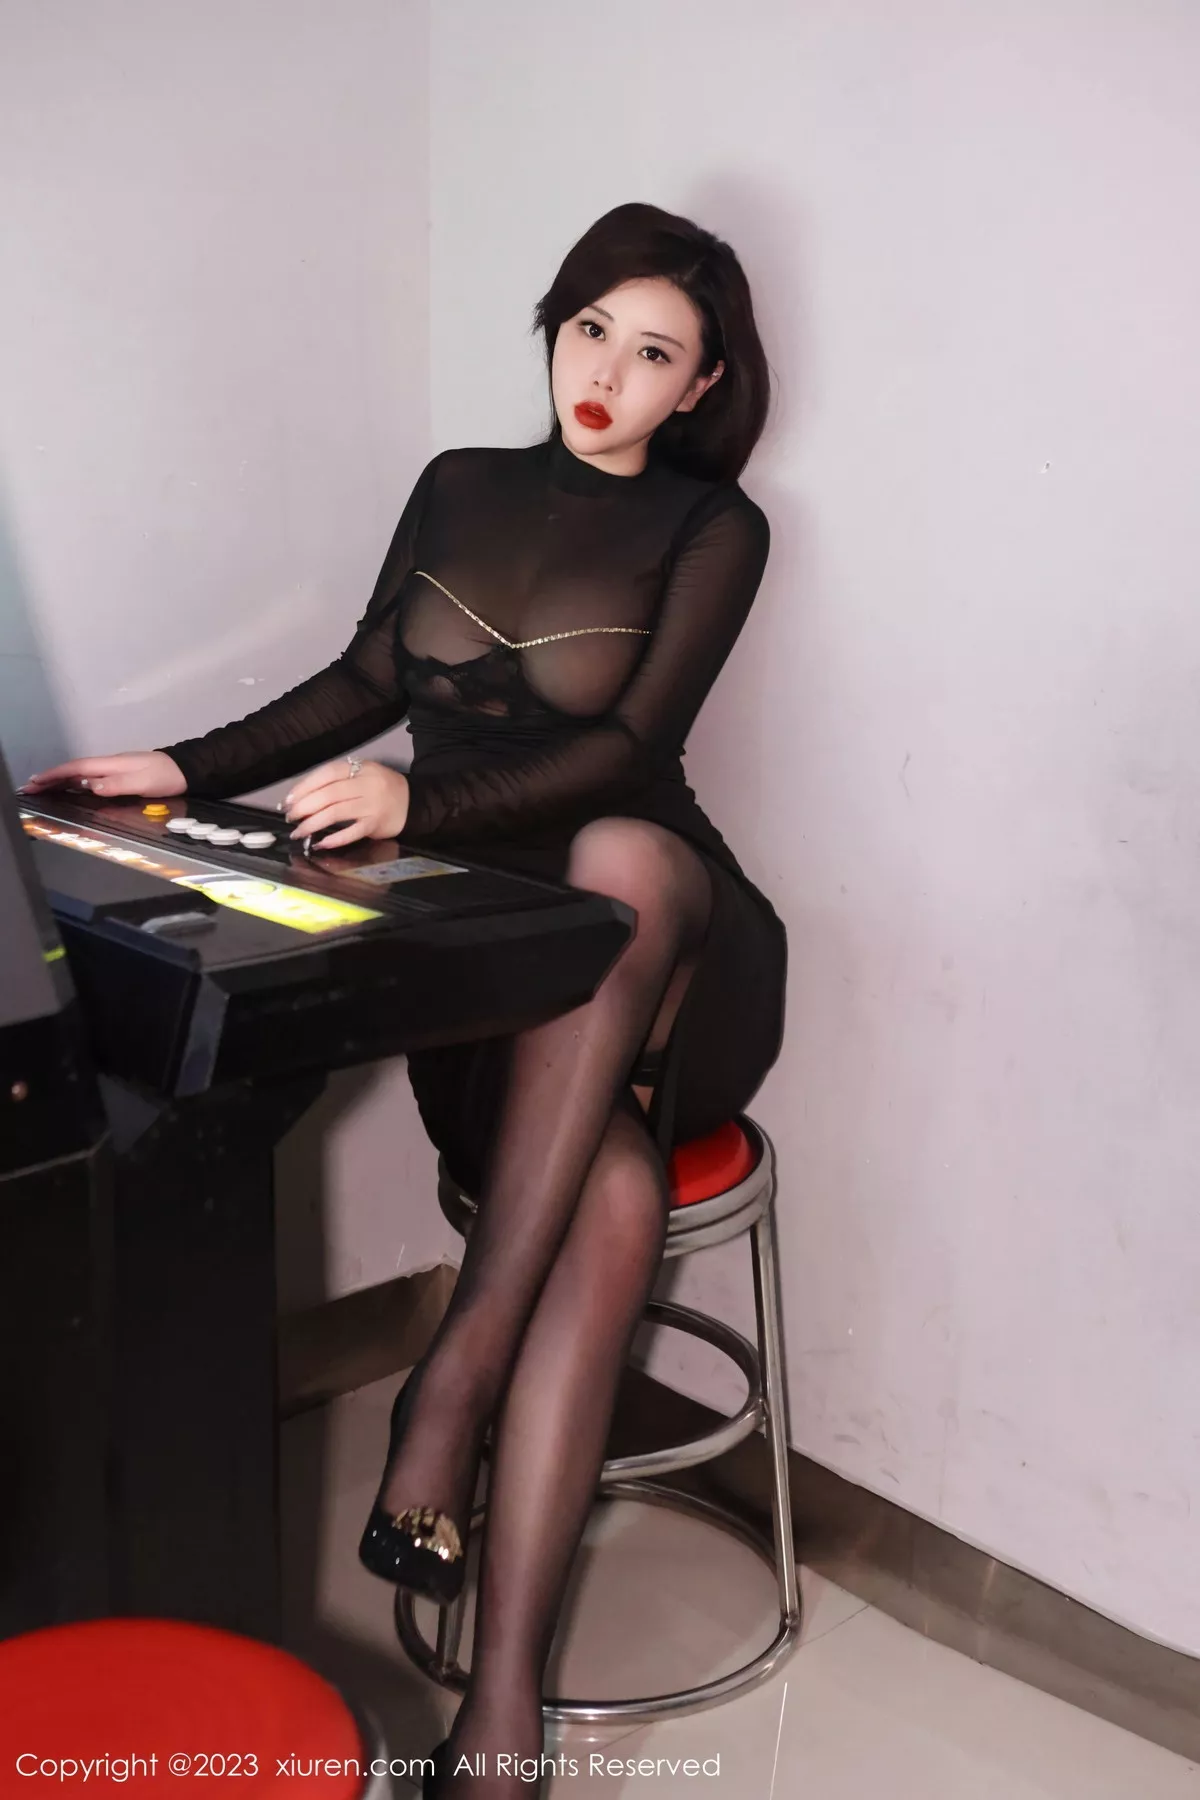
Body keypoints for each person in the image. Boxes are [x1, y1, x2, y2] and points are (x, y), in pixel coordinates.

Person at [23, 201, 787, 1799]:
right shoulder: (460, 487)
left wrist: (416, 805)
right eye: (592, 329)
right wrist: (176, 764)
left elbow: (626, 748)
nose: (608, 373)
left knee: (625, 856)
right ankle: (501, 1729)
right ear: (556, 325)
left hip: (670, 966)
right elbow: (367, 678)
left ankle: (449, 1384)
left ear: (702, 385)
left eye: (656, 353)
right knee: (610, 1196)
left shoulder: (715, 529)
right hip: (497, 970)